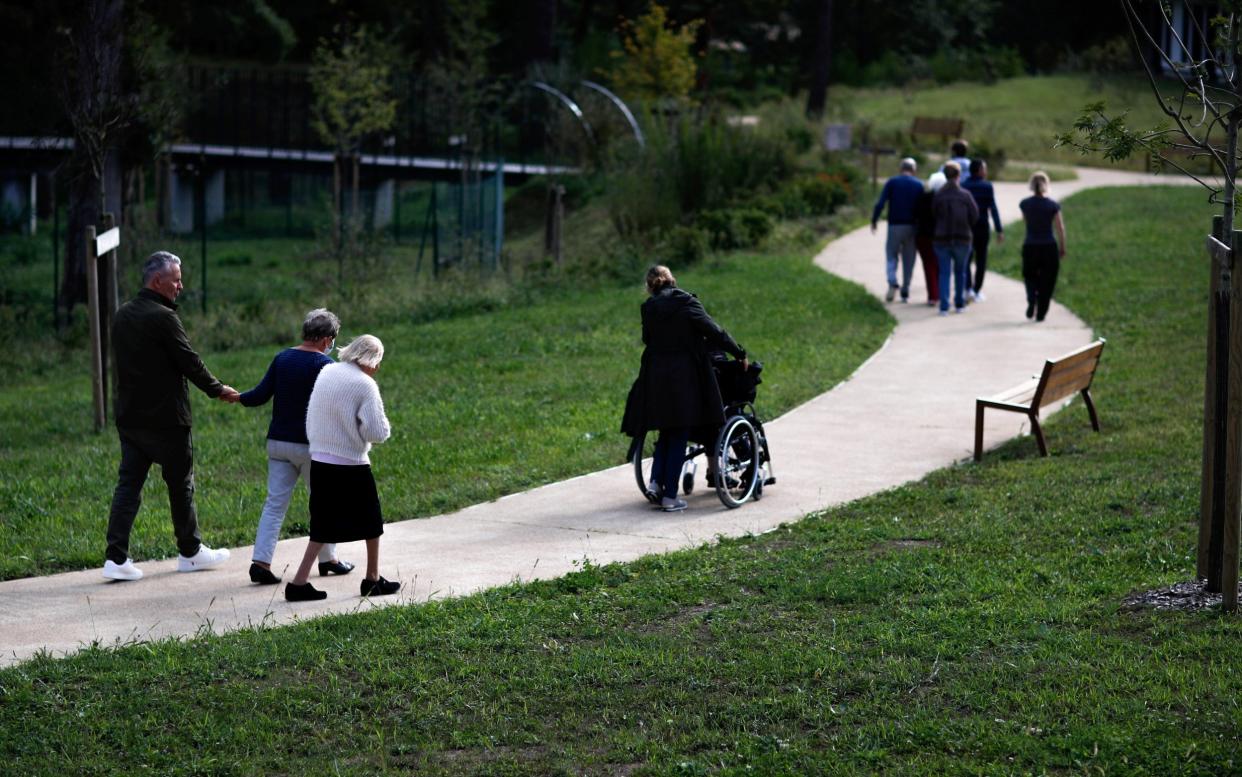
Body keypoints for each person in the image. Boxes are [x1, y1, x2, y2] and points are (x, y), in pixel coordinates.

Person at [102, 251, 236, 581]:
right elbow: (188, 360)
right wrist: (217, 389)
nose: (181, 285)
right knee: (180, 486)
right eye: (176, 279)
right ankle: (190, 552)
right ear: (157, 281)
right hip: (167, 419)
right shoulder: (163, 317)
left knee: (128, 487)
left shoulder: (121, 315)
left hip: (131, 418)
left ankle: (115, 558)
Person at [238, 308, 354, 585]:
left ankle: (261, 562)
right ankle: (329, 559)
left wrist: (237, 397)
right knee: (323, 503)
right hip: (312, 447)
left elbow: (259, 395)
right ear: (326, 339)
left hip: (278, 443)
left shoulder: (282, 358)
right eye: (333, 339)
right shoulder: (324, 366)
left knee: (274, 505)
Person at [620, 265, 748, 512]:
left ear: (650, 286)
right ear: (672, 280)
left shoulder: (648, 307)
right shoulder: (687, 302)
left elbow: (648, 339)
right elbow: (715, 332)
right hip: (684, 375)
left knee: (666, 431)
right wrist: (738, 352)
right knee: (679, 432)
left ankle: (656, 483)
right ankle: (670, 496)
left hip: (655, 374)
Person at [285, 334, 397, 601]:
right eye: (378, 361)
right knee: (372, 521)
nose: (377, 368)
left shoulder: (327, 371)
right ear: (371, 359)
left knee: (322, 524)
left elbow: (312, 413)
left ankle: (299, 582)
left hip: (320, 459)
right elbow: (377, 432)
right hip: (351, 463)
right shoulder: (365, 385)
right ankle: (372, 579)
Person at [871, 157, 924, 303]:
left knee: (891, 255)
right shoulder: (919, 185)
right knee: (909, 259)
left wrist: (874, 220)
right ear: (914, 170)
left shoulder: (892, 182)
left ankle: (892, 281)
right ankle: (905, 289)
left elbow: (880, 203)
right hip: (912, 227)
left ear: (901, 169)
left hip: (894, 225)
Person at [932, 161, 979, 315]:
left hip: (942, 239)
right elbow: (975, 216)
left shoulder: (939, 195)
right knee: (961, 272)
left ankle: (944, 306)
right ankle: (959, 304)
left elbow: (933, 215)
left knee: (944, 273)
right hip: (962, 238)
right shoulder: (965, 195)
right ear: (959, 175)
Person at [1019, 171, 1067, 322]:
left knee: (1029, 276)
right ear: (1047, 185)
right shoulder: (1053, 205)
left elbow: (1026, 223)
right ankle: (1041, 312)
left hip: (1030, 245)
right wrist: (1062, 247)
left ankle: (1031, 299)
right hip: (1048, 246)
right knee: (1048, 280)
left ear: (1031, 185)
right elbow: (1060, 228)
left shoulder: (1025, 204)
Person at [962, 159, 1005, 302]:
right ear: (980, 170)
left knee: (966, 259)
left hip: (967, 227)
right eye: (984, 169)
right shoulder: (987, 186)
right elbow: (993, 209)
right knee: (981, 259)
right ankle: (977, 290)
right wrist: (999, 229)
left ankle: (967, 289)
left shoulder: (963, 185)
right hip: (982, 227)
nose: (986, 172)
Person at [914, 174, 944, 307]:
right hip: (938, 237)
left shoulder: (923, 198)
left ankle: (933, 295)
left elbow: (915, 215)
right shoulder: (943, 200)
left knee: (928, 266)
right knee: (939, 266)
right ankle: (939, 294)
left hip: (923, 237)